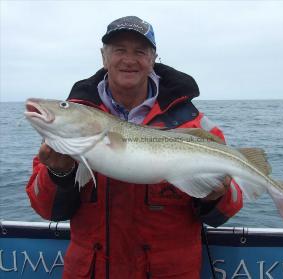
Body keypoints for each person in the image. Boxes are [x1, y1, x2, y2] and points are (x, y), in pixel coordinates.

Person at [26, 16, 243, 279]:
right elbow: (49, 211)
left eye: (139, 51)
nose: (129, 59)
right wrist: (60, 175)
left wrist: (214, 196)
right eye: (119, 50)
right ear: (104, 57)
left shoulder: (194, 125)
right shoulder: (70, 124)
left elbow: (224, 213)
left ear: (153, 59)